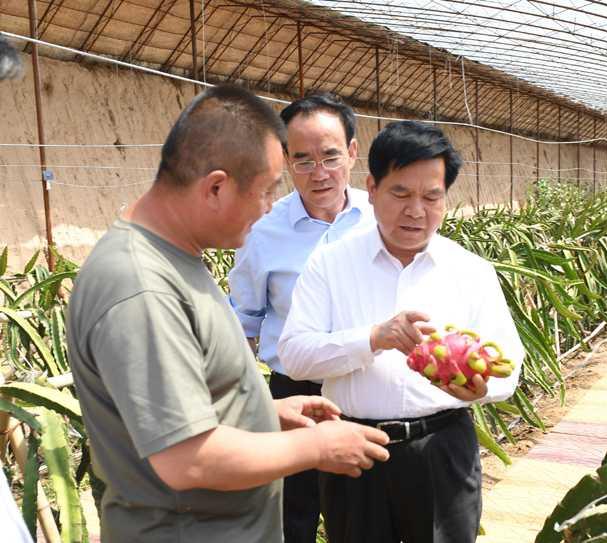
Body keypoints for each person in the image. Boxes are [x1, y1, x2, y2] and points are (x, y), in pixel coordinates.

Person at [66, 84, 389, 543]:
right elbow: (187, 458)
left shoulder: (175, 257)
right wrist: (315, 446)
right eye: (263, 193)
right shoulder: (140, 287)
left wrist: (262, 411)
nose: (266, 211)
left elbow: (179, 409)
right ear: (216, 186)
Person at [278, 120, 524, 543]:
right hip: (354, 449)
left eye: (432, 197)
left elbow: (510, 364)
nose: (416, 211)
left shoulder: (470, 271)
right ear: (371, 188)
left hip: (442, 448)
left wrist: (480, 388)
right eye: (400, 193)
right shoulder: (331, 264)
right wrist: (374, 338)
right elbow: (296, 354)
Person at [228, 92, 373, 543]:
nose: (320, 172)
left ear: (351, 151)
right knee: (293, 517)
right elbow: (243, 323)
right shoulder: (264, 230)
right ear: (285, 161)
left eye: (330, 156)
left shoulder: (380, 217)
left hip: (365, 390)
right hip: (294, 393)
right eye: (303, 160)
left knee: (364, 517)